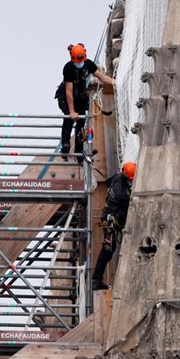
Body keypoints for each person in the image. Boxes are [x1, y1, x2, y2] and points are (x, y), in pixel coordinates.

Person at [58, 43, 114, 161]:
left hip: (80, 95)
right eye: (77, 61)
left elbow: (101, 77)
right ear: (72, 58)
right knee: (68, 119)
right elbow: (69, 90)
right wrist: (72, 111)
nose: (80, 63)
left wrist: (115, 82)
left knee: (81, 124)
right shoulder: (68, 68)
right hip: (67, 96)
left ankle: (79, 153)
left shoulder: (88, 64)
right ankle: (65, 145)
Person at [92, 162, 137, 290]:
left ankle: (96, 280)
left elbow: (107, 182)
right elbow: (127, 205)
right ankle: (96, 281)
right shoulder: (121, 192)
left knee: (107, 249)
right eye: (129, 180)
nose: (130, 182)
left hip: (109, 215)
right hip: (111, 218)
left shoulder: (117, 178)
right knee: (108, 249)